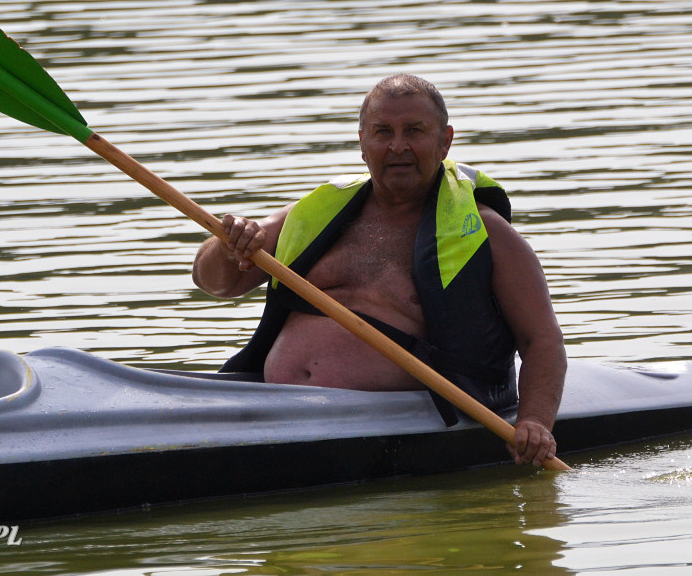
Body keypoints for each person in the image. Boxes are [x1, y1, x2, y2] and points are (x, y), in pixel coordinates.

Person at [192, 74, 566, 466]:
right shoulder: (316, 214)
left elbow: (542, 340)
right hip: (278, 411)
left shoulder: (488, 233)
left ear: (445, 141)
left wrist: (536, 422)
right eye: (383, 131)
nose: (397, 146)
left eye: (415, 131)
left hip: (394, 427)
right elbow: (214, 282)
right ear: (362, 143)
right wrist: (227, 246)